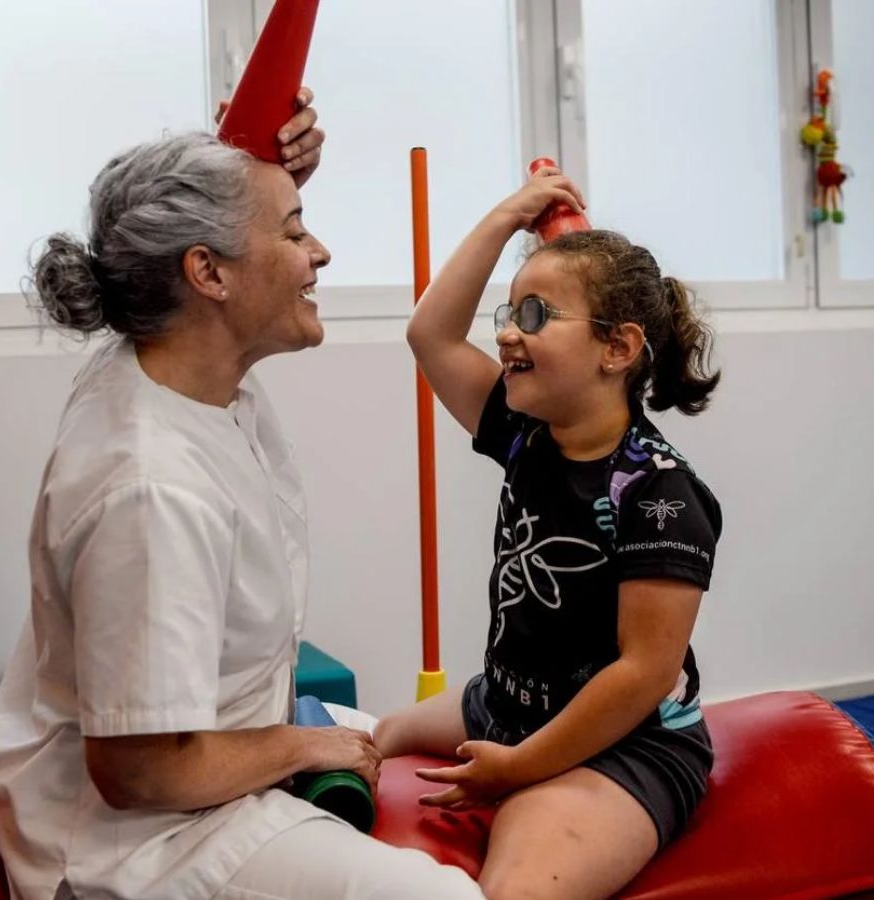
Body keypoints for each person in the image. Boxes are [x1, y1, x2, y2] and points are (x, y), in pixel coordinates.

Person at [0, 93, 486, 900]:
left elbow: (170, 220)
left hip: (214, 749)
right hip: (147, 842)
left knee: (486, 714)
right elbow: (138, 772)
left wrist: (258, 168)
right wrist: (297, 747)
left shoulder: (176, 360)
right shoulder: (148, 487)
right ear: (207, 272)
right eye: (293, 232)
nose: (319, 252)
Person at [374, 165, 723, 900]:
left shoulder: (659, 491)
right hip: (505, 702)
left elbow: (644, 674)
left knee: (518, 889)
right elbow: (429, 332)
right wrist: (511, 214)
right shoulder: (524, 434)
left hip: (629, 742)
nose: (505, 332)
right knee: (374, 740)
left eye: (534, 316)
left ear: (617, 349)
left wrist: (524, 764)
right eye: (509, 311)